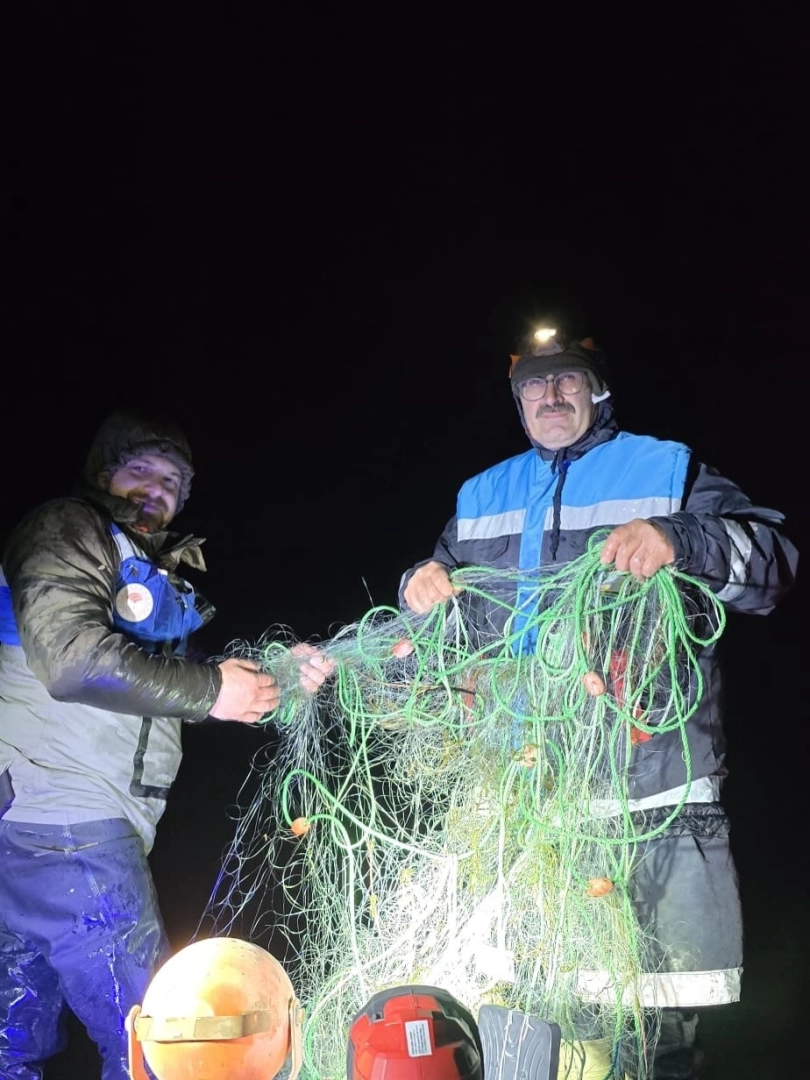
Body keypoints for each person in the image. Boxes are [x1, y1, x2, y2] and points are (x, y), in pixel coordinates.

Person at [399, 323, 798, 1080]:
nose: (550, 395)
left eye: (568, 379)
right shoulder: (481, 494)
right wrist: (416, 583)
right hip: (521, 805)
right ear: (517, 400)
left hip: (646, 799)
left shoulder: (666, 469)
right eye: (533, 384)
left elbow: (773, 565)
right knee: (518, 1016)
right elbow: (437, 611)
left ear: (598, 388)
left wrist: (678, 539)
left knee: (648, 1029)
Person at [0, 410, 333, 1080]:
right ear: (103, 473)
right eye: (141, 470)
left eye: (173, 482)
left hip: (42, 831)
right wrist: (212, 689)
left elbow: (165, 680)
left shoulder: (141, 563)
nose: (157, 489)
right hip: (67, 822)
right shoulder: (67, 528)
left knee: (14, 1034)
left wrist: (269, 676)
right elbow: (73, 661)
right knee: (156, 1044)